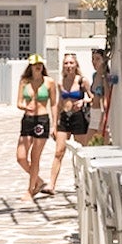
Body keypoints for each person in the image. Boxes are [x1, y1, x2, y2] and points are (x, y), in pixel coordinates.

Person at [49, 53, 90, 193]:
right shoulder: (61, 83)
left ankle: (85, 182)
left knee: (81, 152)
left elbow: (93, 97)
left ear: (76, 64)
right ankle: (51, 185)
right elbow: (58, 104)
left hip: (78, 117)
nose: (69, 66)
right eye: (66, 63)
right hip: (64, 117)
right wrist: (54, 124)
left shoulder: (82, 81)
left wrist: (83, 101)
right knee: (59, 151)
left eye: (71, 63)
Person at [16, 56, 52, 200]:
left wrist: (55, 124)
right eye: (35, 65)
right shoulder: (24, 82)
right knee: (21, 157)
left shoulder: (49, 82)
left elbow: (54, 104)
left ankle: (30, 190)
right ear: (30, 66)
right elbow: (18, 102)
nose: (38, 67)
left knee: (35, 157)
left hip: (42, 119)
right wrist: (25, 106)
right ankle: (38, 180)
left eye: (40, 64)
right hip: (28, 119)